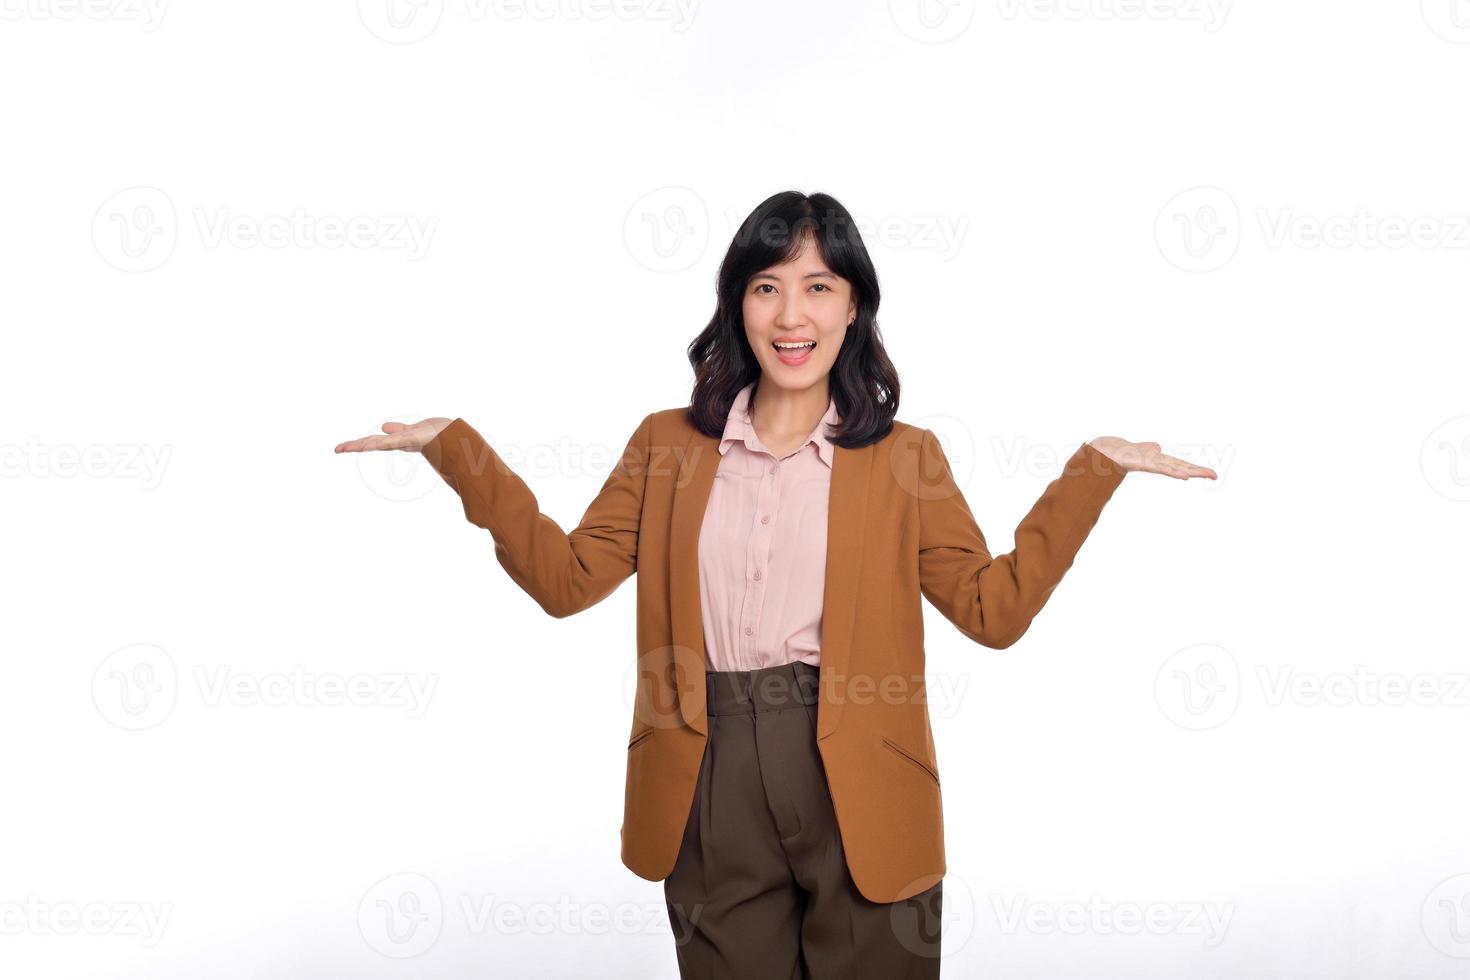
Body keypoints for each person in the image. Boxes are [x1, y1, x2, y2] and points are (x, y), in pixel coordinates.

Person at [334, 190, 1216, 978]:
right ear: (738, 305)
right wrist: (461, 455)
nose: (792, 313)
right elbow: (568, 580)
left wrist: (1092, 473)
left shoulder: (907, 460)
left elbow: (994, 610)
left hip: (862, 777)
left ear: (854, 306)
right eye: (767, 286)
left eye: (819, 285)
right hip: (706, 772)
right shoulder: (666, 445)